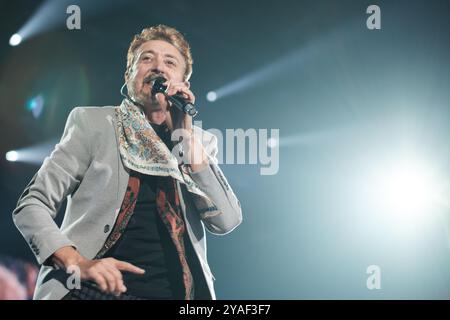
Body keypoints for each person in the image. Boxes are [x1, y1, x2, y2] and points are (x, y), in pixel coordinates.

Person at [12, 25, 242, 300]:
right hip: (93, 290)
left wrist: (186, 139)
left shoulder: (199, 143)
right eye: (147, 58)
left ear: (183, 83)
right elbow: (31, 205)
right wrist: (77, 263)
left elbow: (226, 221)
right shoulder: (94, 124)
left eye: (170, 62)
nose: (158, 67)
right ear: (129, 75)